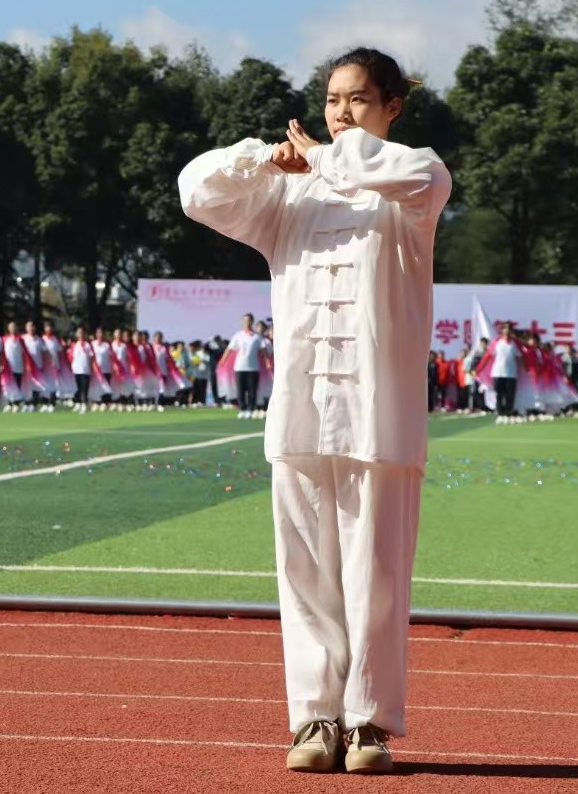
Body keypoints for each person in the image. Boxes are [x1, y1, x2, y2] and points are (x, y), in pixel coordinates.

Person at [180, 46, 451, 774]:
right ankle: (316, 720)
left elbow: (401, 170)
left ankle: (369, 723)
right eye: (332, 99)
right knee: (303, 577)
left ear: (392, 107)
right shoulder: (286, 199)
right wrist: (264, 161)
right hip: (299, 415)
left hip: (380, 419)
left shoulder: (413, 183)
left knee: (377, 576)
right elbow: (196, 192)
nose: (339, 113)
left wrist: (330, 159)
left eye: (358, 99)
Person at [228, 313, 264, 419]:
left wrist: (267, 363)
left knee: (252, 390)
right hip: (240, 367)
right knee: (240, 389)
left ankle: (251, 409)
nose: (246, 323)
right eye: (244, 321)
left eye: (248, 321)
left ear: (252, 322)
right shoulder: (238, 335)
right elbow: (229, 349)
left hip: (253, 367)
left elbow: (263, 351)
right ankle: (242, 409)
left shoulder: (257, 337)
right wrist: (222, 361)